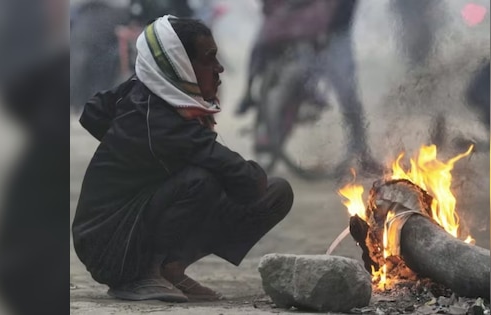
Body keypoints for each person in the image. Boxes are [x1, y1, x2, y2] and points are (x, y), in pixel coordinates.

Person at [72, 17, 293, 303]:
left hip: (126, 226)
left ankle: (169, 269)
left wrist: (136, 158)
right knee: (202, 179)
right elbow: (247, 182)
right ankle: (140, 276)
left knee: (276, 192)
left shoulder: (147, 89)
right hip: (111, 248)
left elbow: (94, 112)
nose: (220, 68)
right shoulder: (161, 121)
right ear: (180, 65)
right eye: (209, 58)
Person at [237, 0, 382, 176]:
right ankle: (251, 96)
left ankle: (361, 153)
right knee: (261, 51)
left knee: (346, 90)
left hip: (334, 29)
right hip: (294, 25)